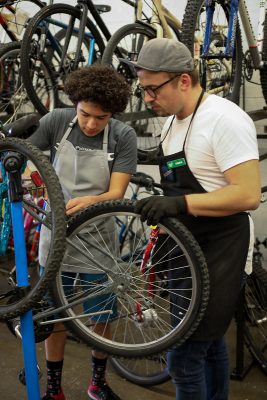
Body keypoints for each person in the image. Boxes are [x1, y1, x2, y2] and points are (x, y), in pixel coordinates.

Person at [123, 38, 261, 400]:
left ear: (183, 81)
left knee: (184, 356)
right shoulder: (171, 121)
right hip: (186, 249)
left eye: (153, 89)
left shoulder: (223, 120)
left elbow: (247, 194)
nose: (147, 98)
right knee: (210, 344)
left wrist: (180, 205)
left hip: (220, 249)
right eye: (143, 88)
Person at [29, 65, 137, 400]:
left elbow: (116, 193)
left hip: (98, 241)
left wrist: (92, 200)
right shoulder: (56, 121)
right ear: (74, 103)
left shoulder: (122, 136)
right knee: (54, 316)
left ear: (113, 115)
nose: (91, 123)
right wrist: (36, 184)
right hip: (55, 237)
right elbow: (28, 158)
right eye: (85, 114)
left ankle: (97, 383)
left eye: (101, 117)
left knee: (101, 316)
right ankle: (54, 388)